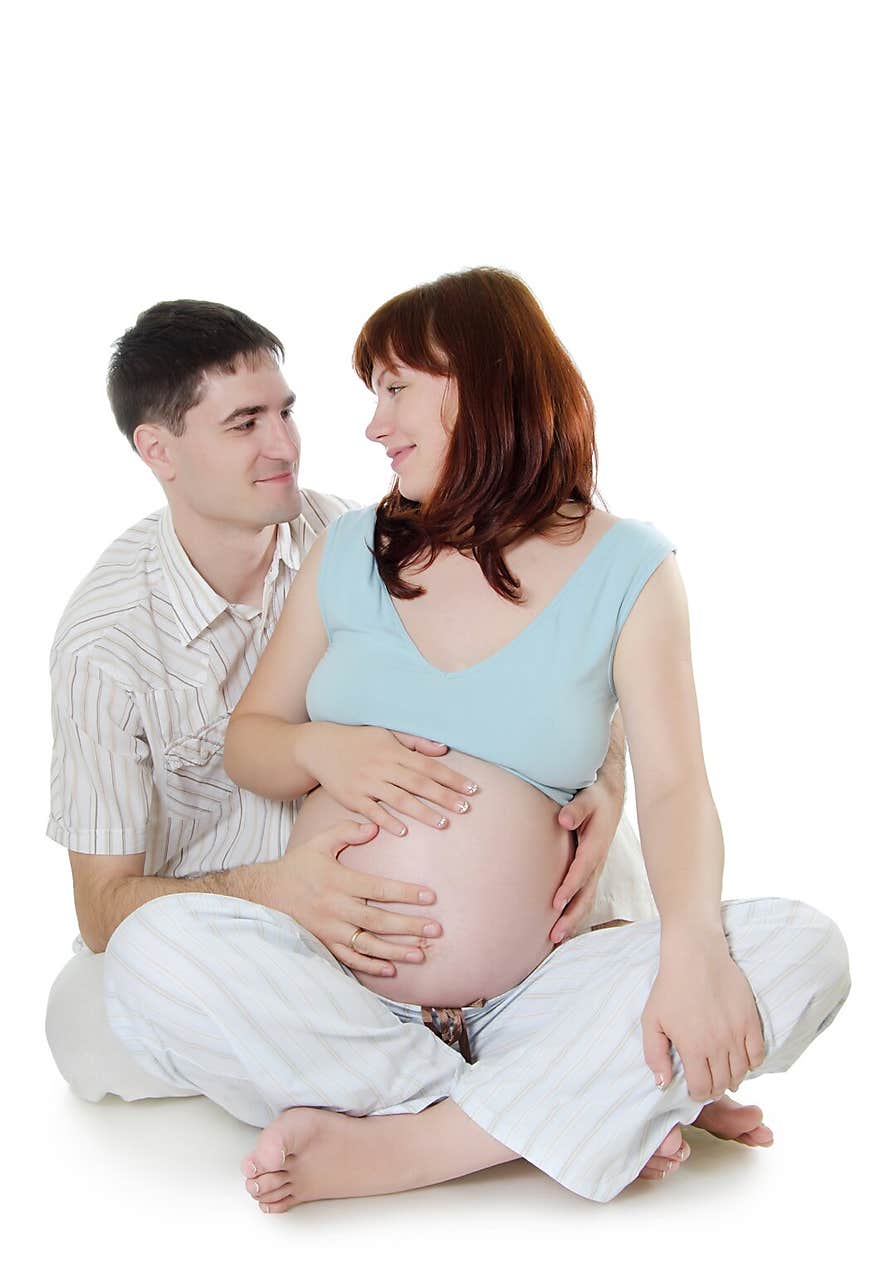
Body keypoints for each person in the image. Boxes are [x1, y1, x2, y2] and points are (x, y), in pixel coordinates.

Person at [102, 270, 850, 1210]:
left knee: (806, 949)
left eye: (394, 388)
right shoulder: (353, 550)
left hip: (541, 992)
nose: (372, 425)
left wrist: (692, 952)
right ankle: (559, 1112)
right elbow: (250, 740)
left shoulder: (630, 569)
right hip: (341, 993)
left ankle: (417, 1146)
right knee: (149, 954)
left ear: (482, 383)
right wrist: (324, 751)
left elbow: (674, 787)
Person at [45, 298, 649, 1108]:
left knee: (616, 851)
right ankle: (521, 1094)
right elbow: (102, 908)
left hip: (468, 936)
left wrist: (607, 779)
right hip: (272, 946)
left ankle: (452, 1085)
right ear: (158, 449)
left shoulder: (365, 537)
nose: (284, 444)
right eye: (245, 423)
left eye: (286, 411)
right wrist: (279, 889)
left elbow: (565, 660)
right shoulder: (104, 645)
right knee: (88, 1017)